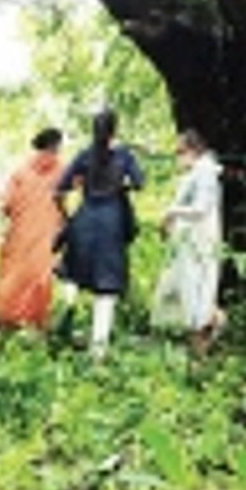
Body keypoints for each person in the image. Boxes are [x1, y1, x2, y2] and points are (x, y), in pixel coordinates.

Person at [54, 107, 145, 358]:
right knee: (106, 287)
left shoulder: (84, 155)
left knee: (72, 273)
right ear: (114, 129)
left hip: (84, 219)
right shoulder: (124, 155)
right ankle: (98, 351)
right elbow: (140, 182)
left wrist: (67, 217)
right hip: (112, 223)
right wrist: (123, 183)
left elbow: (59, 188)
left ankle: (66, 317)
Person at [151, 128, 225, 357]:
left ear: (192, 150)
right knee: (180, 291)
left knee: (197, 293)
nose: (178, 157)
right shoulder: (195, 172)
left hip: (200, 243)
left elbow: (201, 209)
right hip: (187, 242)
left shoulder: (205, 171)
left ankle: (203, 341)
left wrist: (171, 213)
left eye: (180, 151)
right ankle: (192, 342)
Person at [0, 126, 65, 330]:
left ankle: (6, 319)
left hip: (19, 234)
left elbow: (6, 206)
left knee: (13, 275)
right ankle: (35, 324)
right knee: (40, 278)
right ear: (56, 146)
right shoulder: (63, 171)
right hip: (47, 234)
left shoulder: (20, 172)